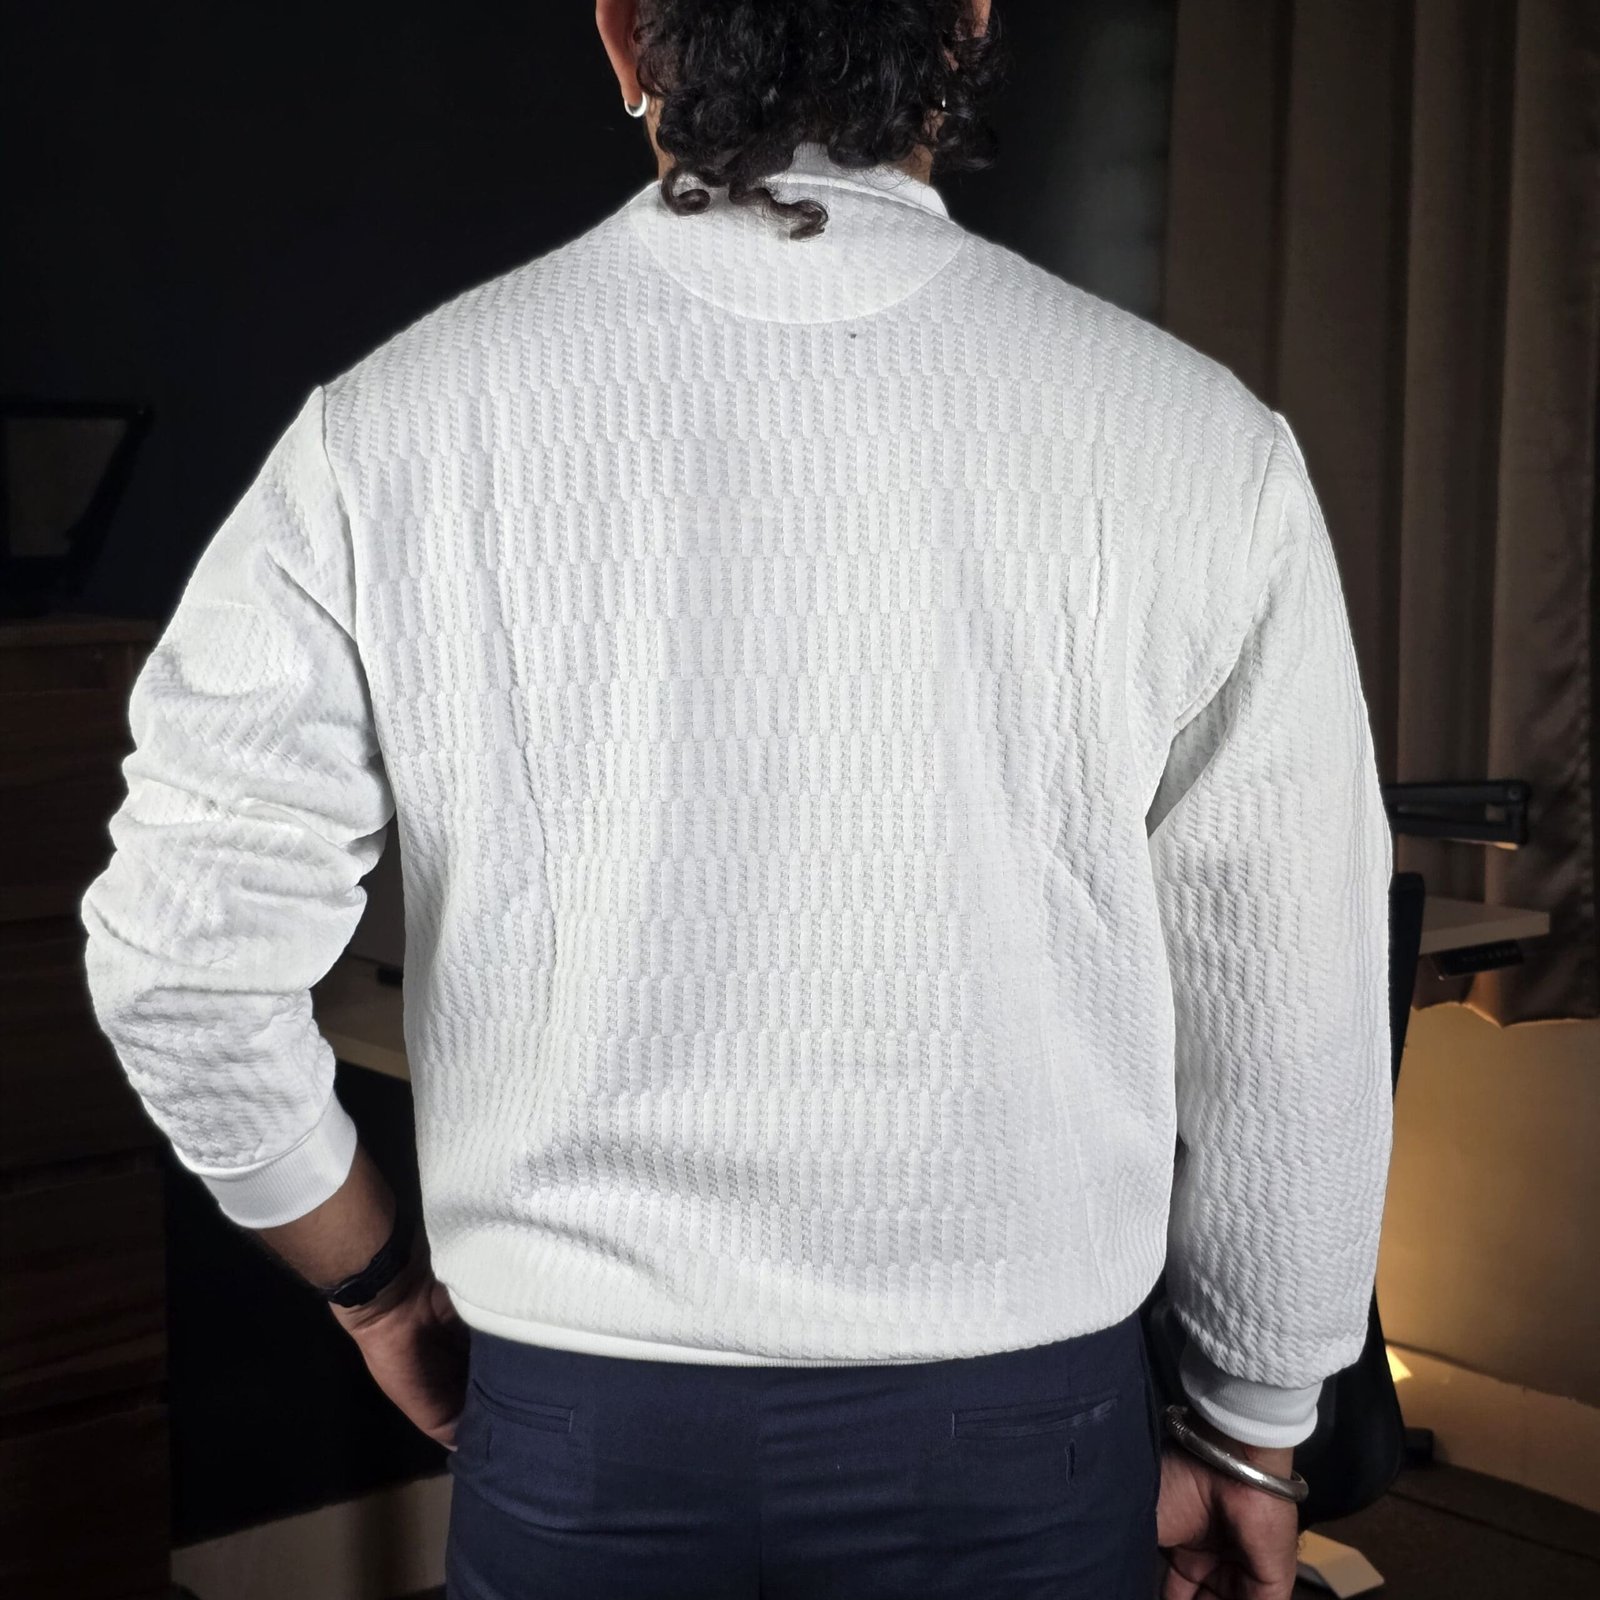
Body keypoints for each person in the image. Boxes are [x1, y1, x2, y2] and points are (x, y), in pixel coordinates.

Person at [78, 2, 1395, 1597]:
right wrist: (1256, 1427)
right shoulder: (1201, 445)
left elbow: (181, 966)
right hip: (1019, 1437)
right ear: (967, 26)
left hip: (578, 1434)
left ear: (626, 39)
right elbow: (1293, 1013)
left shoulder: (388, 431)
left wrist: (377, 1291)